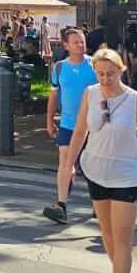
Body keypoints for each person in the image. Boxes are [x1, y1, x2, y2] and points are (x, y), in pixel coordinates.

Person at [66, 48, 137, 273]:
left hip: (127, 173)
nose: (105, 79)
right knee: (107, 234)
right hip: (96, 169)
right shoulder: (90, 94)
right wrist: (69, 164)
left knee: (122, 240)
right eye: (100, 74)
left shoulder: (135, 99)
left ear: (122, 70)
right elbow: (80, 132)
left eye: (110, 73)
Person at [43, 27, 97, 225]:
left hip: (93, 125)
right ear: (65, 45)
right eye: (76, 42)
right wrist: (49, 120)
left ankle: (97, 205)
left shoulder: (94, 65)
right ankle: (61, 205)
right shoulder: (59, 68)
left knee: (93, 166)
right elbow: (54, 95)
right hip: (67, 124)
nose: (80, 45)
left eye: (82, 41)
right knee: (65, 162)